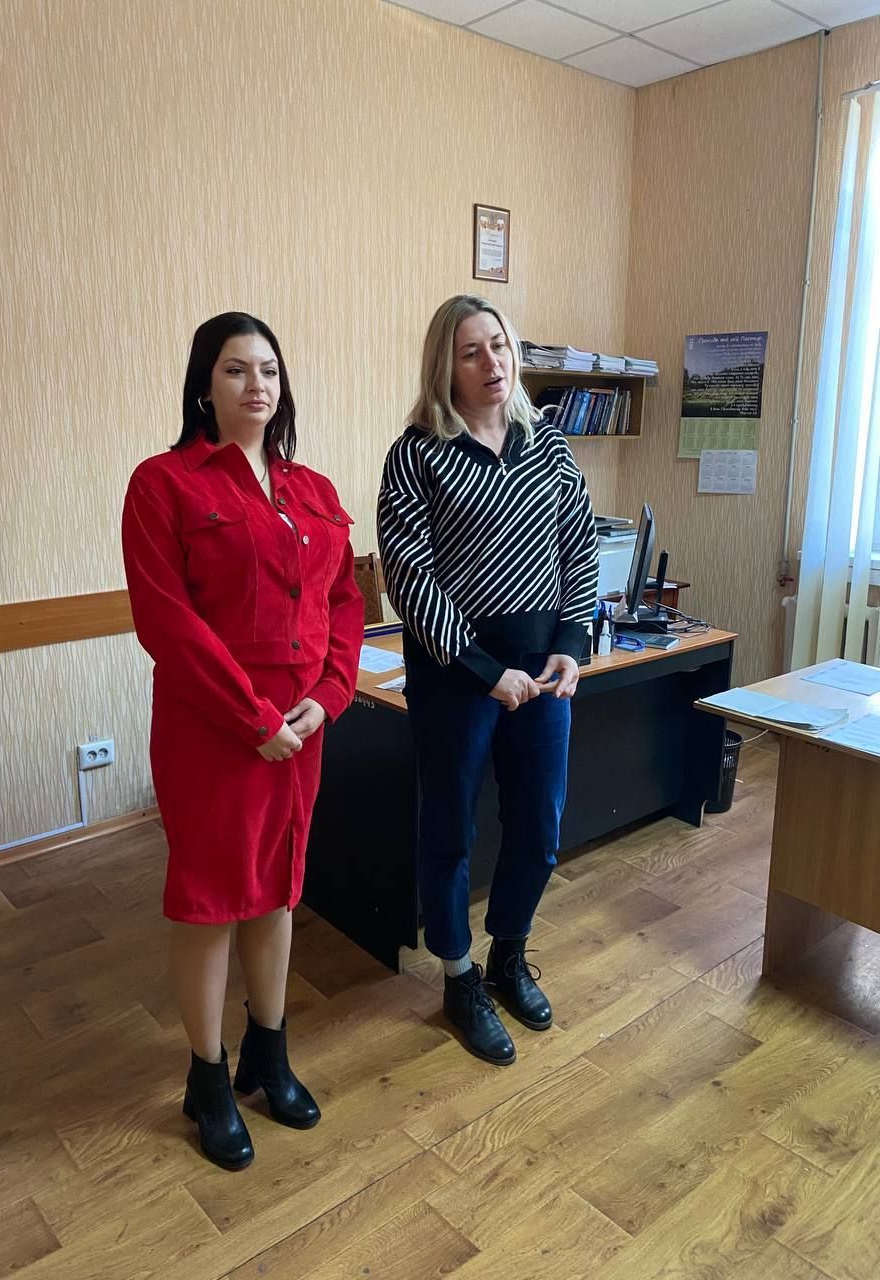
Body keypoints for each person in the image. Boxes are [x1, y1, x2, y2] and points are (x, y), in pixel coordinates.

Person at [122, 312, 363, 1169]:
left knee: (278, 891)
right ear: (205, 385)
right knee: (211, 900)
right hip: (213, 731)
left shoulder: (314, 490)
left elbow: (343, 604)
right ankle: (208, 1077)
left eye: (268, 369)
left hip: (300, 730)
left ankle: (270, 1050)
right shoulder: (164, 484)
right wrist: (252, 718)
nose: (256, 384)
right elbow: (167, 622)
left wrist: (328, 698)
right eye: (235, 369)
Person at [377, 295, 598, 1066]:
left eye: (499, 345)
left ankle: (508, 954)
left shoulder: (550, 446)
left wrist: (572, 644)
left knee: (539, 825)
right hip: (454, 674)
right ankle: (458, 977)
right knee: (450, 832)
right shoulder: (417, 454)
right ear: (445, 365)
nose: (491, 362)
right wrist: (483, 670)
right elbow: (409, 577)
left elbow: (579, 549)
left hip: (542, 669)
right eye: (471, 351)